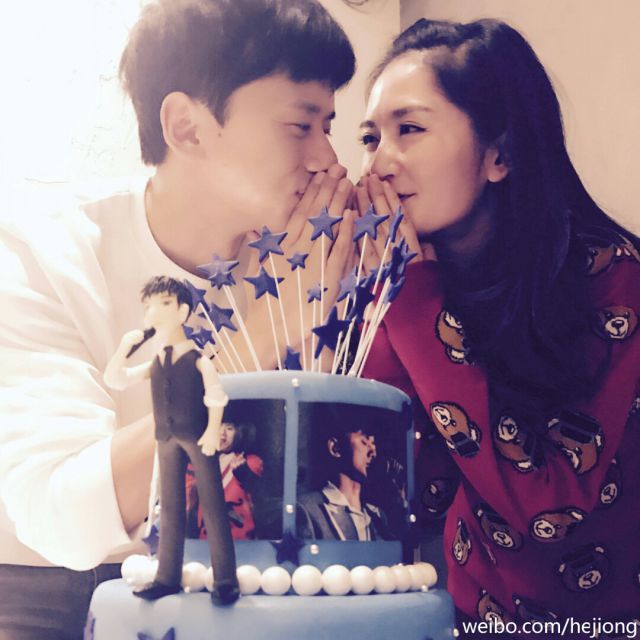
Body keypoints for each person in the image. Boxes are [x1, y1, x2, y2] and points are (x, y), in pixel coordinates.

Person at [0, 0, 355, 636]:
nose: (327, 158)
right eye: (300, 126)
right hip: (45, 585)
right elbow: (62, 519)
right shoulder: (43, 250)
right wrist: (259, 333)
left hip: (240, 575)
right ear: (187, 127)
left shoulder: (311, 255)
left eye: (328, 126)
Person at [356, 18, 640, 635]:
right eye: (370, 138)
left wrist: (412, 301)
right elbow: (398, 496)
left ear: (500, 155)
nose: (378, 164)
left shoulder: (609, 274)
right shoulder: (416, 282)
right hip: (472, 619)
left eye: (409, 129)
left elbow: (550, 505)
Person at [104, 276, 239, 604]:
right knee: (170, 508)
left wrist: (212, 430)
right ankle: (167, 577)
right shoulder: (156, 362)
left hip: (197, 437)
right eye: (148, 306)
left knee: (212, 505)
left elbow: (216, 397)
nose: (153, 312)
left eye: (163, 303)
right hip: (165, 440)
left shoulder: (198, 360)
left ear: (182, 311)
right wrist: (123, 349)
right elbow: (116, 379)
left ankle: (225, 580)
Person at [297, 424, 392, 541]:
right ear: (335, 448)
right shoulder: (306, 509)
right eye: (365, 440)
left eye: (373, 443)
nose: (373, 451)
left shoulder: (378, 517)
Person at [186, 421, 264, 541]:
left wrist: (243, 473)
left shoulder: (251, 462)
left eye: (229, 428)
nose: (222, 433)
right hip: (206, 540)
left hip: (241, 541)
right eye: (217, 426)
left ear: (240, 432)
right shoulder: (196, 465)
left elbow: (258, 497)